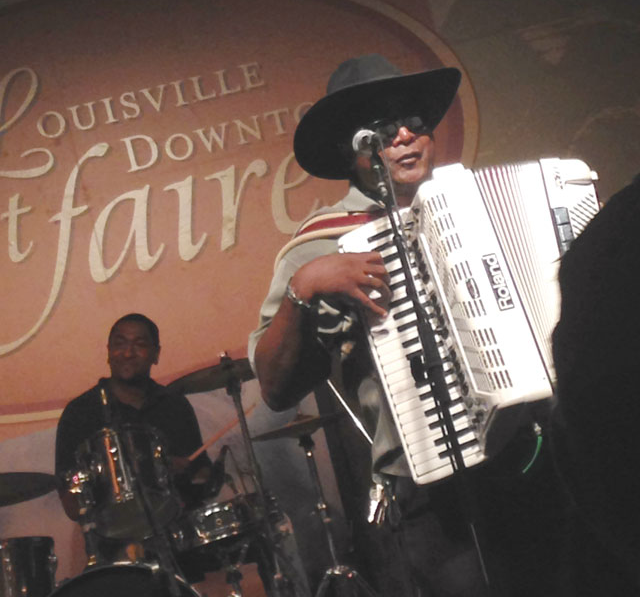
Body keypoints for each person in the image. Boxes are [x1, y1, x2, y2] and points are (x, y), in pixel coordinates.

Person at [248, 54, 503, 597]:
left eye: (417, 121)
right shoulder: (320, 243)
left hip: (522, 451)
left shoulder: (482, 206)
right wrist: (305, 288)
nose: (407, 136)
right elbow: (274, 387)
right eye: (386, 129)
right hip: (427, 480)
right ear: (355, 148)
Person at [55, 313, 215, 569]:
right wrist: (97, 479)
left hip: (177, 546)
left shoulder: (174, 405)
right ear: (108, 352)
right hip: (112, 553)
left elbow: (203, 475)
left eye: (139, 344)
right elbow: (70, 500)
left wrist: (182, 471)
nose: (128, 353)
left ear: (156, 354)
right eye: (119, 344)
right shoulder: (80, 413)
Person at [551, 174, 640, 595]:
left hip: (552, 455)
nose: (404, 136)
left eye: (416, 122)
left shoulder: (609, 232)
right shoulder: (617, 233)